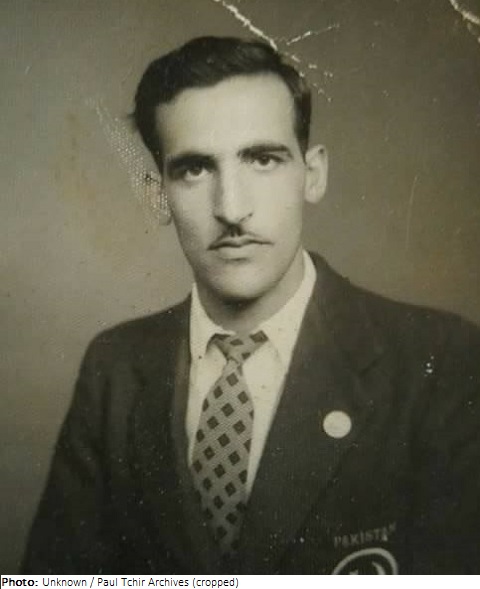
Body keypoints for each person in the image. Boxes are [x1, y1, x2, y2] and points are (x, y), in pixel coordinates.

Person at [23, 36, 480, 575]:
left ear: (313, 174)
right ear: (156, 195)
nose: (232, 208)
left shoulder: (441, 360)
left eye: (263, 159)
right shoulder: (115, 368)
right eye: (195, 169)